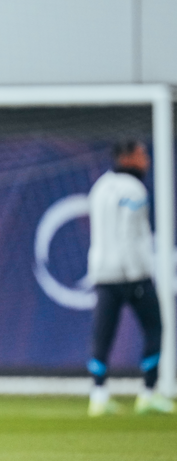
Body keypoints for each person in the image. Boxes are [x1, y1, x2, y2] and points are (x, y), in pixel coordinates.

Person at [86, 140, 174, 417]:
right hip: (131, 273)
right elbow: (127, 233)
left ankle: (98, 396)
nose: (146, 159)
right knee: (155, 328)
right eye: (141, 154)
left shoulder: (100, 186)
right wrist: (136, 276)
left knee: (102, 335)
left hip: (102, 271)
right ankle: (148, 393)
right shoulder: (134, 189)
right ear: (127, 158)